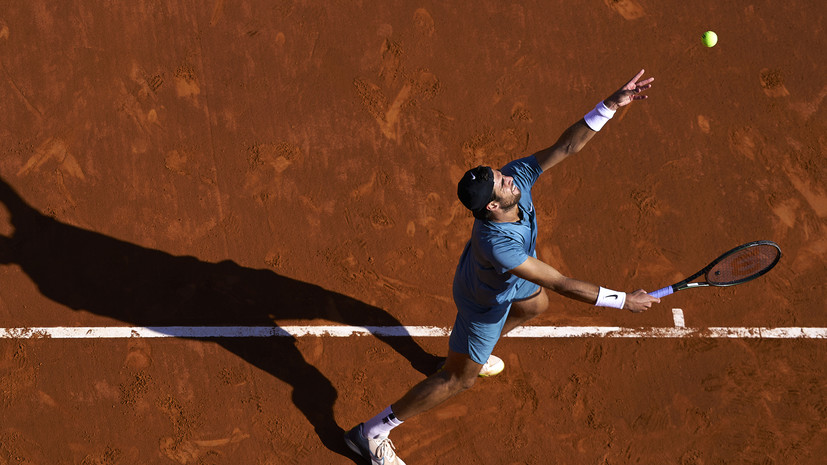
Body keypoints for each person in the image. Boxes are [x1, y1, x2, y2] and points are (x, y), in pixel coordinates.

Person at [345, 69, 660, 464]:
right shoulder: (499, 246)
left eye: (501, 173)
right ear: (492, 207)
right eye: (501, 182)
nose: (509, 177)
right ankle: (371, 433)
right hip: (483, 302)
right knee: (459, 380)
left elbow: (565, 146)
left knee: (535, 305)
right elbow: (561, 282)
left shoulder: (514, 182)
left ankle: (466, 354)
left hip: (504, 285)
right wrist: (623, 300)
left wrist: (610, 105)